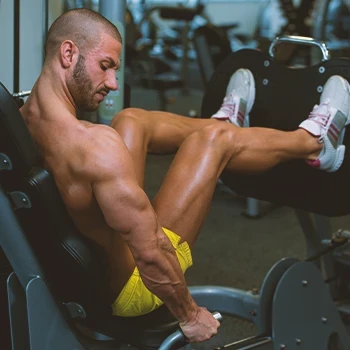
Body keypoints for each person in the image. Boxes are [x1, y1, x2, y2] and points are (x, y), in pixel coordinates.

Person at [19, 8, 350, 343]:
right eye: (105, 66)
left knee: (132, 119)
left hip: (94, 261)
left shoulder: (21, 120)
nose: (113, 83)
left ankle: (229, 125)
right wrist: (190, 315)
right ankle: (315, 144)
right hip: (132, 286)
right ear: (68, 53)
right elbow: (150, 254)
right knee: (211, 143)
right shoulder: (92, 147)